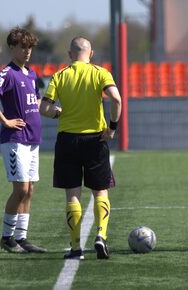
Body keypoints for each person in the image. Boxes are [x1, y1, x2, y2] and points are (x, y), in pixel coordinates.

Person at [40, 36, 122, 260]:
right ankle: (101, 236)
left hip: (67, 140)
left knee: (72, 196)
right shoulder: (100, 73)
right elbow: (116, 99)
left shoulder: (60, 75)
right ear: (91, 53)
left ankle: (76, 247)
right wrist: (112, 128)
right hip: (95, 139)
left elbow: (44, 107)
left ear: (69, 55)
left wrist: (57, 112)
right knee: (100, 191)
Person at [0, 27, 46, 253]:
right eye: (22, 47)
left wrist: (56, 111)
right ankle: (6, 238)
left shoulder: (31, 74)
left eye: (29, 47)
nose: (27, 51)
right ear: (12, 47)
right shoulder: (8, 73)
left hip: (32, 139)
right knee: (19, 190)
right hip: (15, 139)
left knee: (29, 190)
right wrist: (5, 120)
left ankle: (22, 238)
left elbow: (37, 103)